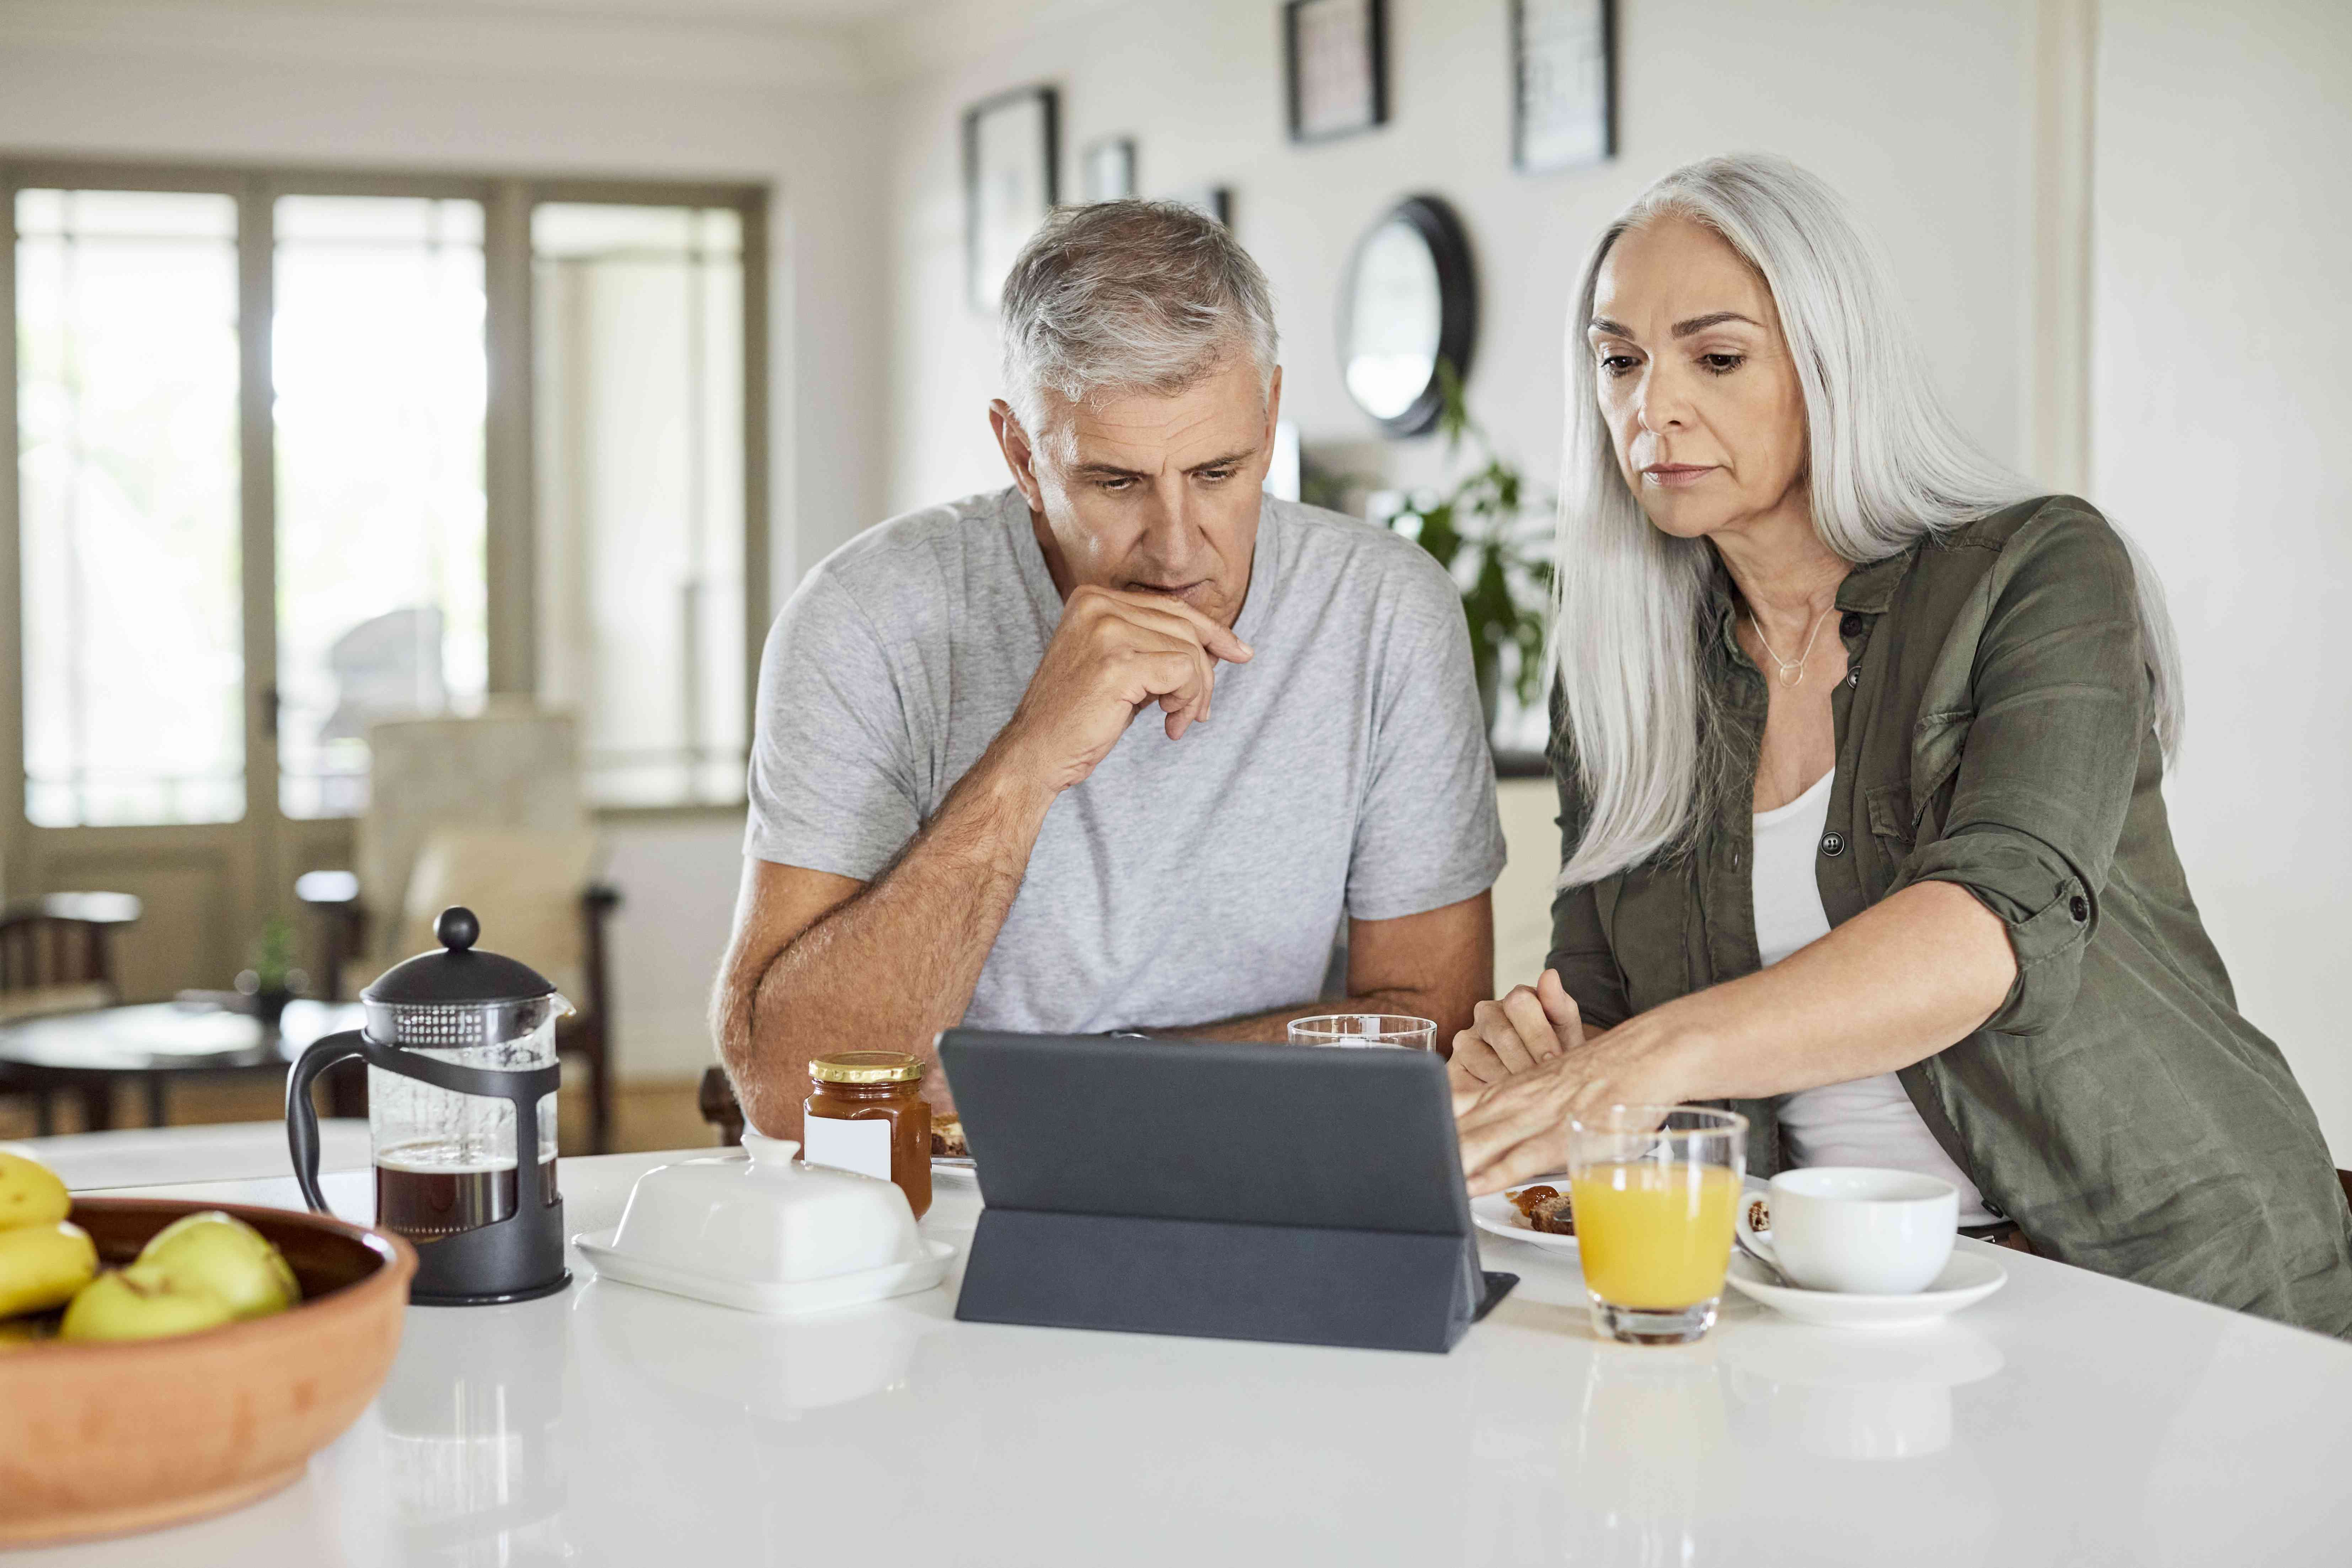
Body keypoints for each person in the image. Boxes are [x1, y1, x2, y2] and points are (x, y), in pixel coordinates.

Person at [1450, 154, 2352, 1334]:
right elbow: (1616, 1030)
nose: (1650, 407)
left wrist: (1637, 1062)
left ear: (1833, 365)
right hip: (1825, 1300)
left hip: (2170, 1286)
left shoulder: (2043, 571)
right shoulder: (1624, 683)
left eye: (1716, 358)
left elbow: (1985, 931)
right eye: (1620, 360)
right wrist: (1547, 1068)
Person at [714, 200, 1505, 1139]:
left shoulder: (1385, 612)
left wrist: (1071, 1086)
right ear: (1022, 452)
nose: (1177, 552)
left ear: (1271, 413)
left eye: (1218, 472)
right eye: (1117, 482)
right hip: (937, 1205)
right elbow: (782, 1083)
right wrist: (1029, 758)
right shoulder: (867, 617)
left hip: (1264, 1173)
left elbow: (1429, 1027)